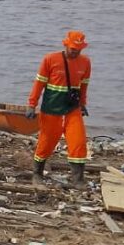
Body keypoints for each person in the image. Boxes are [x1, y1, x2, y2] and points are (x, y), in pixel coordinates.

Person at [28, 30, 92, 184]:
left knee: (78, 141)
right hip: (52, 107)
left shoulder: (85, 62)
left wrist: (83, 104)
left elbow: (84, 86)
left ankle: (78, 179)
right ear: (66, 45)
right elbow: (39, 84)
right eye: (72, 48)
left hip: (72, 108)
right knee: (47, 141)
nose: (75, 51)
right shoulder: (50, 59)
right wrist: (32, 104)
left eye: (78, 49)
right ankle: (37, 173)